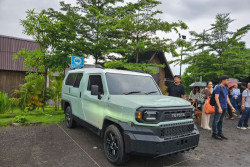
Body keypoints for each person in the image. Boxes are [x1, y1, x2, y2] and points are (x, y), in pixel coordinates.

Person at [212, 75, 236, 140]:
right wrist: (219, 107)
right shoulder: (217, 87)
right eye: (227, 80)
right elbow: (216, 98)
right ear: (223, 80)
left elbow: (227, 98)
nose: (228, 81)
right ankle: (214, 133)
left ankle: (220, 133)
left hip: (225, 106)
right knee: (216, 120)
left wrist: (231, 106)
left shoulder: (226, 87)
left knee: (221, 121)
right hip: (219, 106)